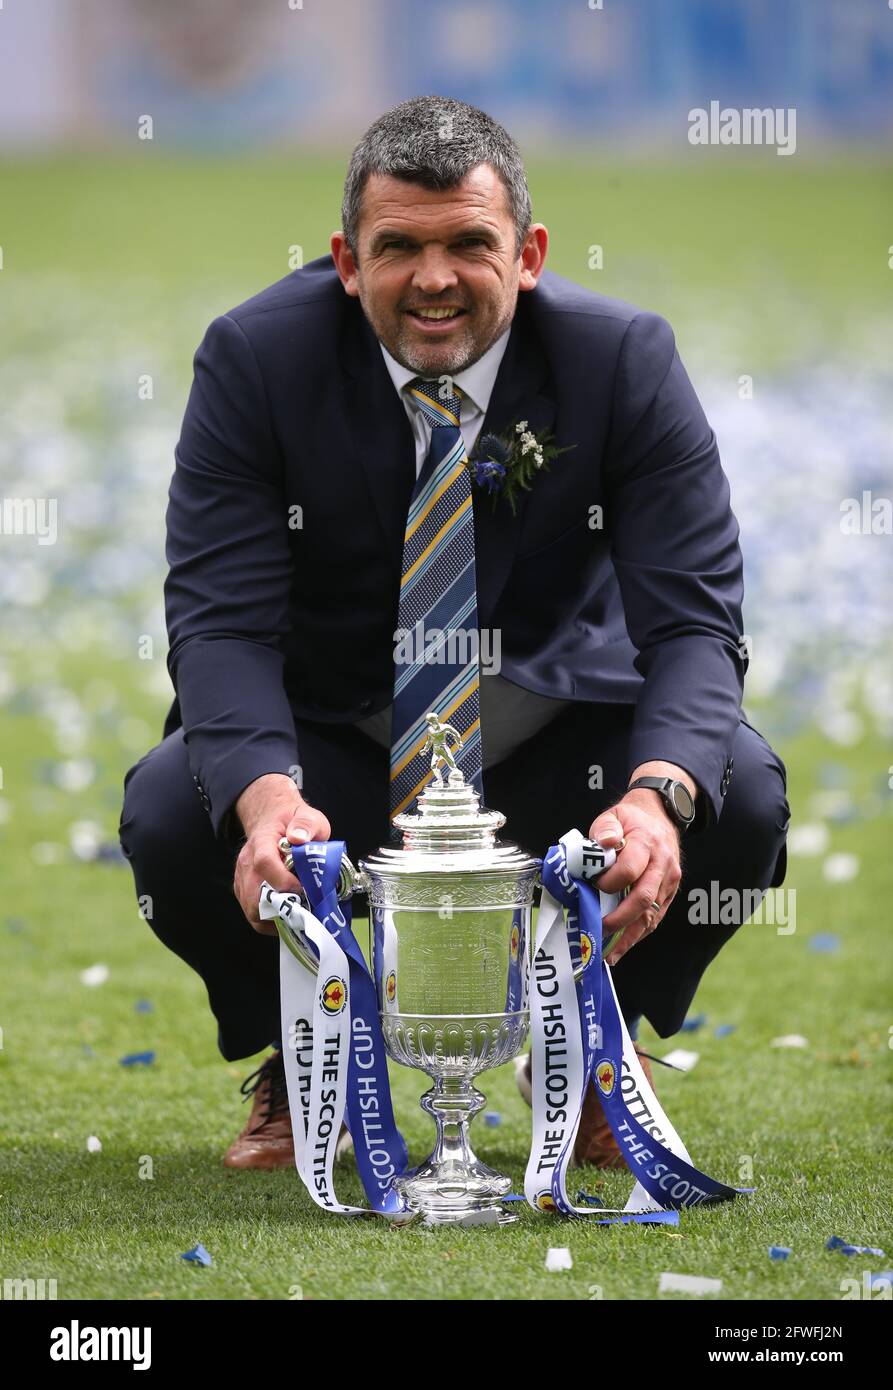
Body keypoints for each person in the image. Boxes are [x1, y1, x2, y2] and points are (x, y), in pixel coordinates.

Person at [118, 96, 790, 1173]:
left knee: (737, 791)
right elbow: (219, 622)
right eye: (399, 248)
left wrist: (654, 797)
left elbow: (694, 622)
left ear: (525, 254)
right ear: (346, 260)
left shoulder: (622, 360)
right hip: (338, 741)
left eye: (467, 243)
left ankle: (597, 1047)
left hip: (547, 741)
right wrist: (265, 799)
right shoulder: (254, 359)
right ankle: (306, 1064)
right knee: (169, 807)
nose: (433, 278)